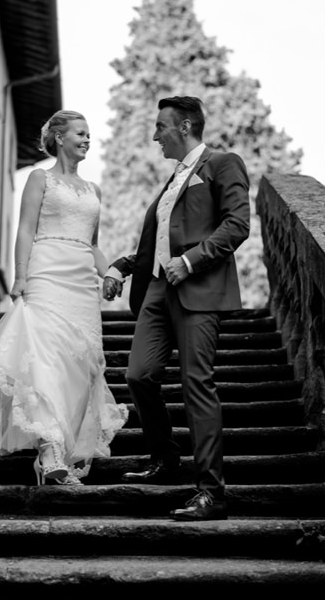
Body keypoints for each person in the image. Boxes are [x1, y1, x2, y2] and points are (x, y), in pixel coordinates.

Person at [102, 95, 250, 522]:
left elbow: (237, 224)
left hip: (198, 289)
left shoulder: (222, 164)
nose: (154, 136)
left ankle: (211, 493)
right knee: (138, 374)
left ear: (184, 127)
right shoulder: (172, 182)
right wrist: (122, 266)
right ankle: (166, 461)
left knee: (196, 384)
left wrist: (190, 262)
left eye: (160, 127)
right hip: (156, 291)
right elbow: (158, 245)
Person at [0, 110, 129, 485]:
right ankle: (49, 448)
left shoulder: (95, 190)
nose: (88, 139)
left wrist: (110, 271)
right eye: (80, 133)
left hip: (81, 284)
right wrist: (20, 276)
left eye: (89, 134)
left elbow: (92, 244)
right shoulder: (39, 178)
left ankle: (65, 446)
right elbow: (25, 230)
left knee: (80, 364)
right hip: (46, 272)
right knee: (45, 356)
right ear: (59, 138)